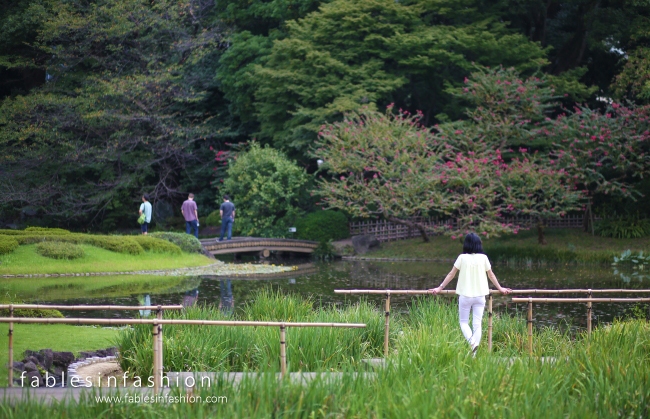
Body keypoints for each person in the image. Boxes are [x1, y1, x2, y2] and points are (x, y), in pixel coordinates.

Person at [428, 233, 511, 354]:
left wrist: (440, 288)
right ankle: (474, 354)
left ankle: (472, 343)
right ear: (479, 244)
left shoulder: (462, 257)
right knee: (477, 324)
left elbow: (451, 274)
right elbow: (491, 275)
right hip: (480, 296)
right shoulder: (484, 258)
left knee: (463, 322)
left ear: (466, 244)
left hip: (465, 296)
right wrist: (500, 288)